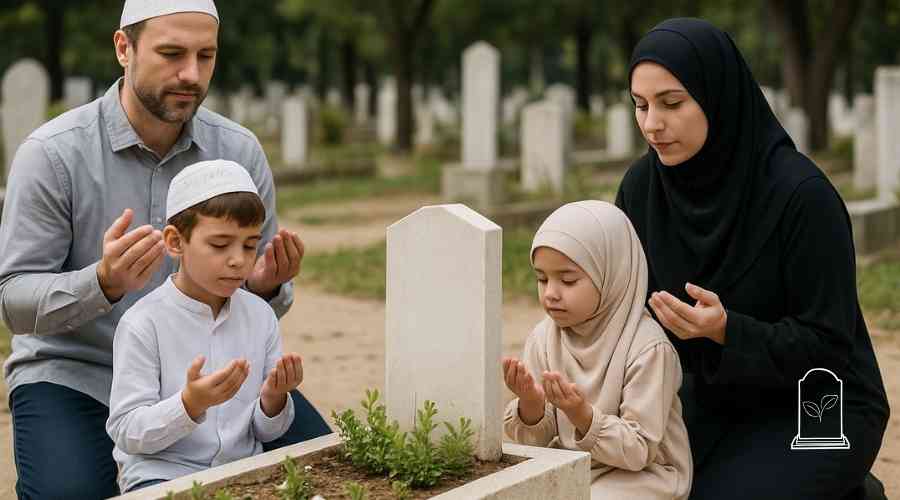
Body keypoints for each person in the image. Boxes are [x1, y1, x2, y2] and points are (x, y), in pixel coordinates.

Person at [0, 2, 328, 498]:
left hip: (207, 374)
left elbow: (258, 306)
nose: (191, 75)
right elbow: (12, 301)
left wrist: (262, 284)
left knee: (323, 465)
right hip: (77, 372)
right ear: (123, 48)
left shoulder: (238, 151)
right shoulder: (53, 154)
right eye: (172, 53)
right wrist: (103, 283)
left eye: (206, 56)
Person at [617, 18, 889, 499]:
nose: (652, 124)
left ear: (717, 96)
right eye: (640, 106)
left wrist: (726, 331)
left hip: (816, 402)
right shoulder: (641, 190)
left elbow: (827, 345)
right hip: (703, 399)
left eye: (672, 103)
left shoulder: (803, 198)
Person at [107, 160, 304, 493]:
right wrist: (189, 404)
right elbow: (128, 430)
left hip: (245, 474)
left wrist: (274, 400)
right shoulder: (143, 323)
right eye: (219, 244)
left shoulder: (260, 316)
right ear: (175, 241)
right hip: (163, 477)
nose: (238, 260)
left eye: (249, 244)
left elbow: (266, 432)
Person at [503, 200, 692, 500]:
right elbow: (535, 444)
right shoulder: (543, 338)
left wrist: (581, 415)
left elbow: (639, 450)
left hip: (641, 477)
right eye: (541, 278)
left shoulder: (647, 347)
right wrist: (531, 405)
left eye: (567, 280)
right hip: (571, 470)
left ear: (611, 274)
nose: (551, 293)